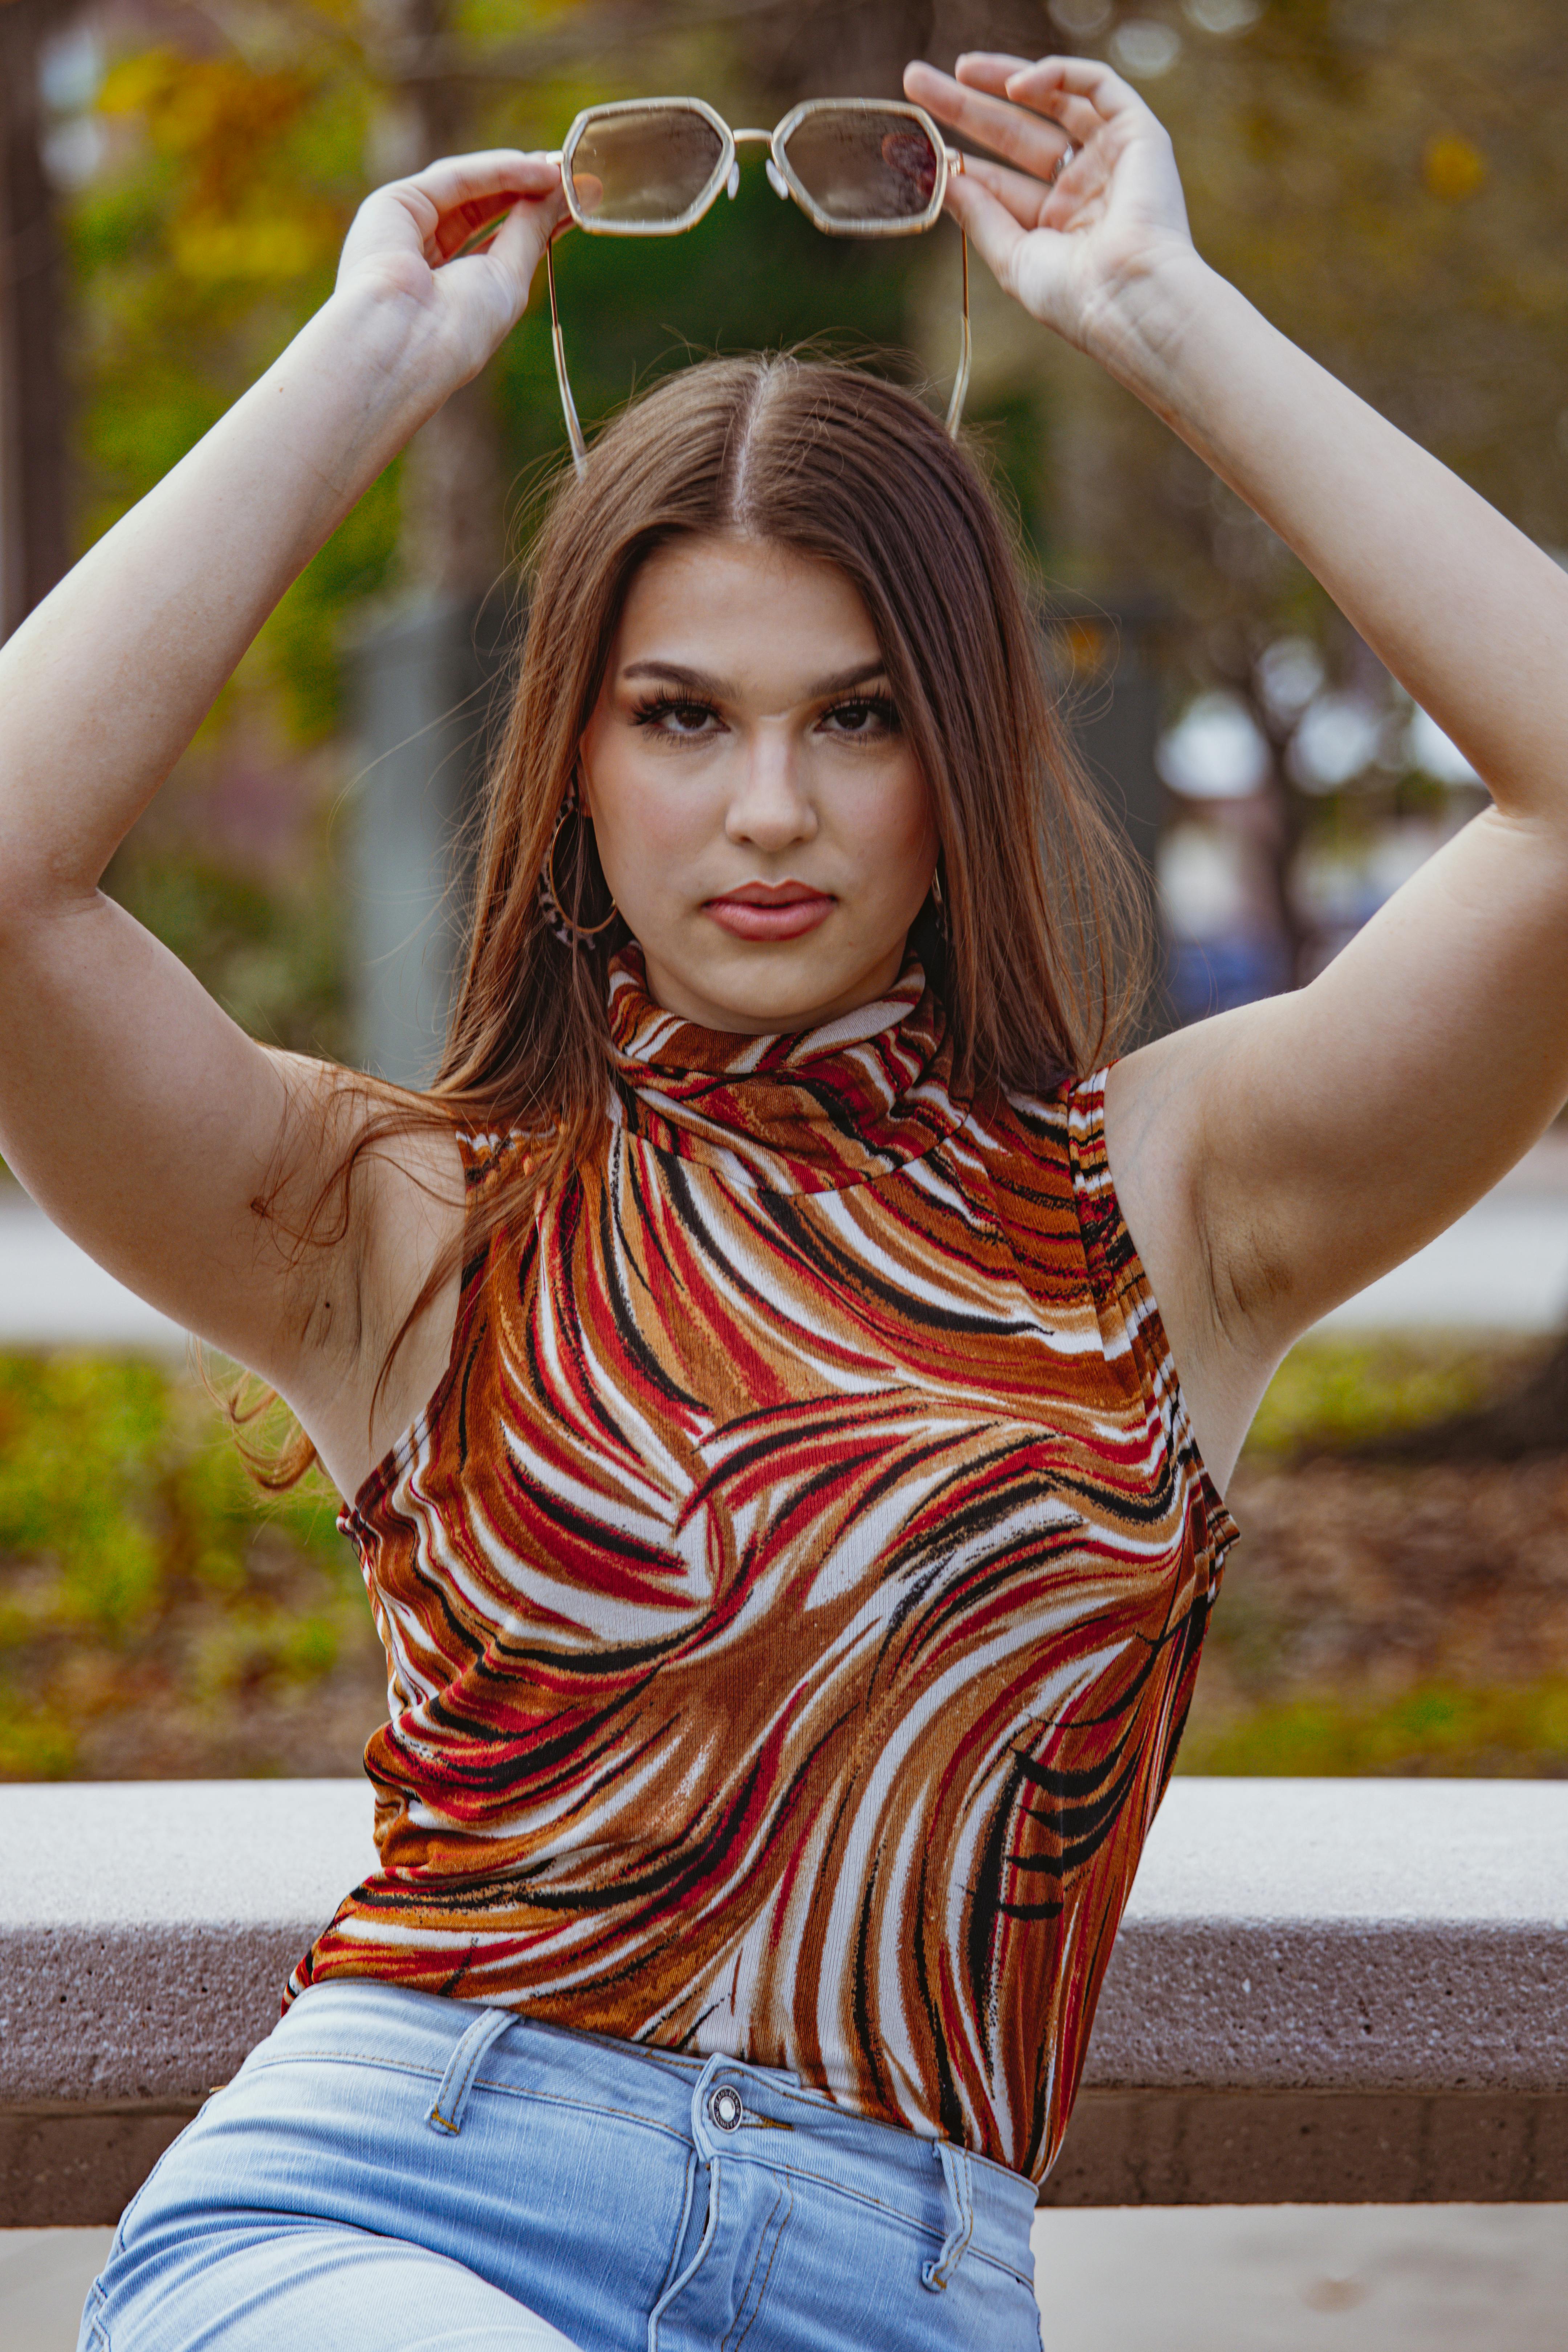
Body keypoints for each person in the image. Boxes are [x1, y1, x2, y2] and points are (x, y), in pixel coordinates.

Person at [5, 45, 1563, 2352]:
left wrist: (1153, 304)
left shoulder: (1173, 1205)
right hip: (394, 2222)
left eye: (856, 715)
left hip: (903, 2285)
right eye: (680, 716)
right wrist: (369, 367)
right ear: (578, 765)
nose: (768, 810)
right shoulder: (403, 1223)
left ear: (964, 752)